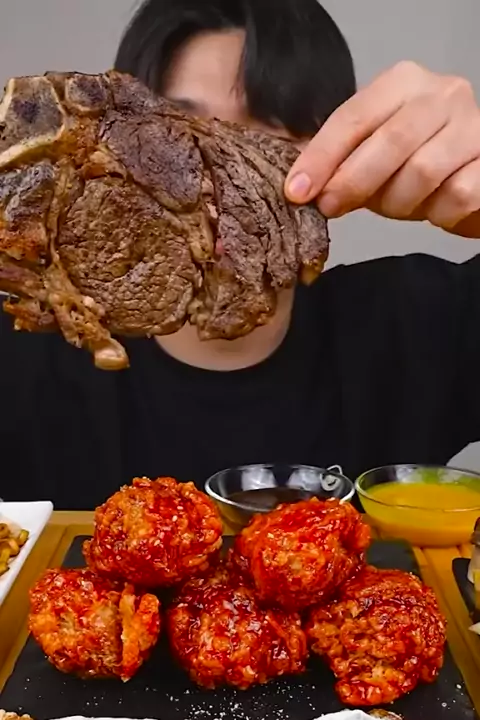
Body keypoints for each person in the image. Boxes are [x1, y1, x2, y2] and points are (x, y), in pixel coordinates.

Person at [1, 0, 479, 510]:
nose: (213, 186)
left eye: (263, 136)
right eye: (178, 135)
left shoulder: (421, 322)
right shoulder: (22, 359)